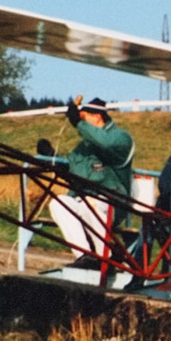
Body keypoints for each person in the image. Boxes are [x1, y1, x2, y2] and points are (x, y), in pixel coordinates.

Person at [43, 97, 135, 262]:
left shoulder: (121, 137)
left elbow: (105, 144)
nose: (81, 124)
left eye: (84, 118)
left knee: (90, 203)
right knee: (59, 203)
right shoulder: (84, 146)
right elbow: (73, 168)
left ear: (97, 116)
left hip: (114, 200)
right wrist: (53, 158)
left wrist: (77, 122)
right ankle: (84, 256)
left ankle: (106, 255)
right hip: (85, 199)